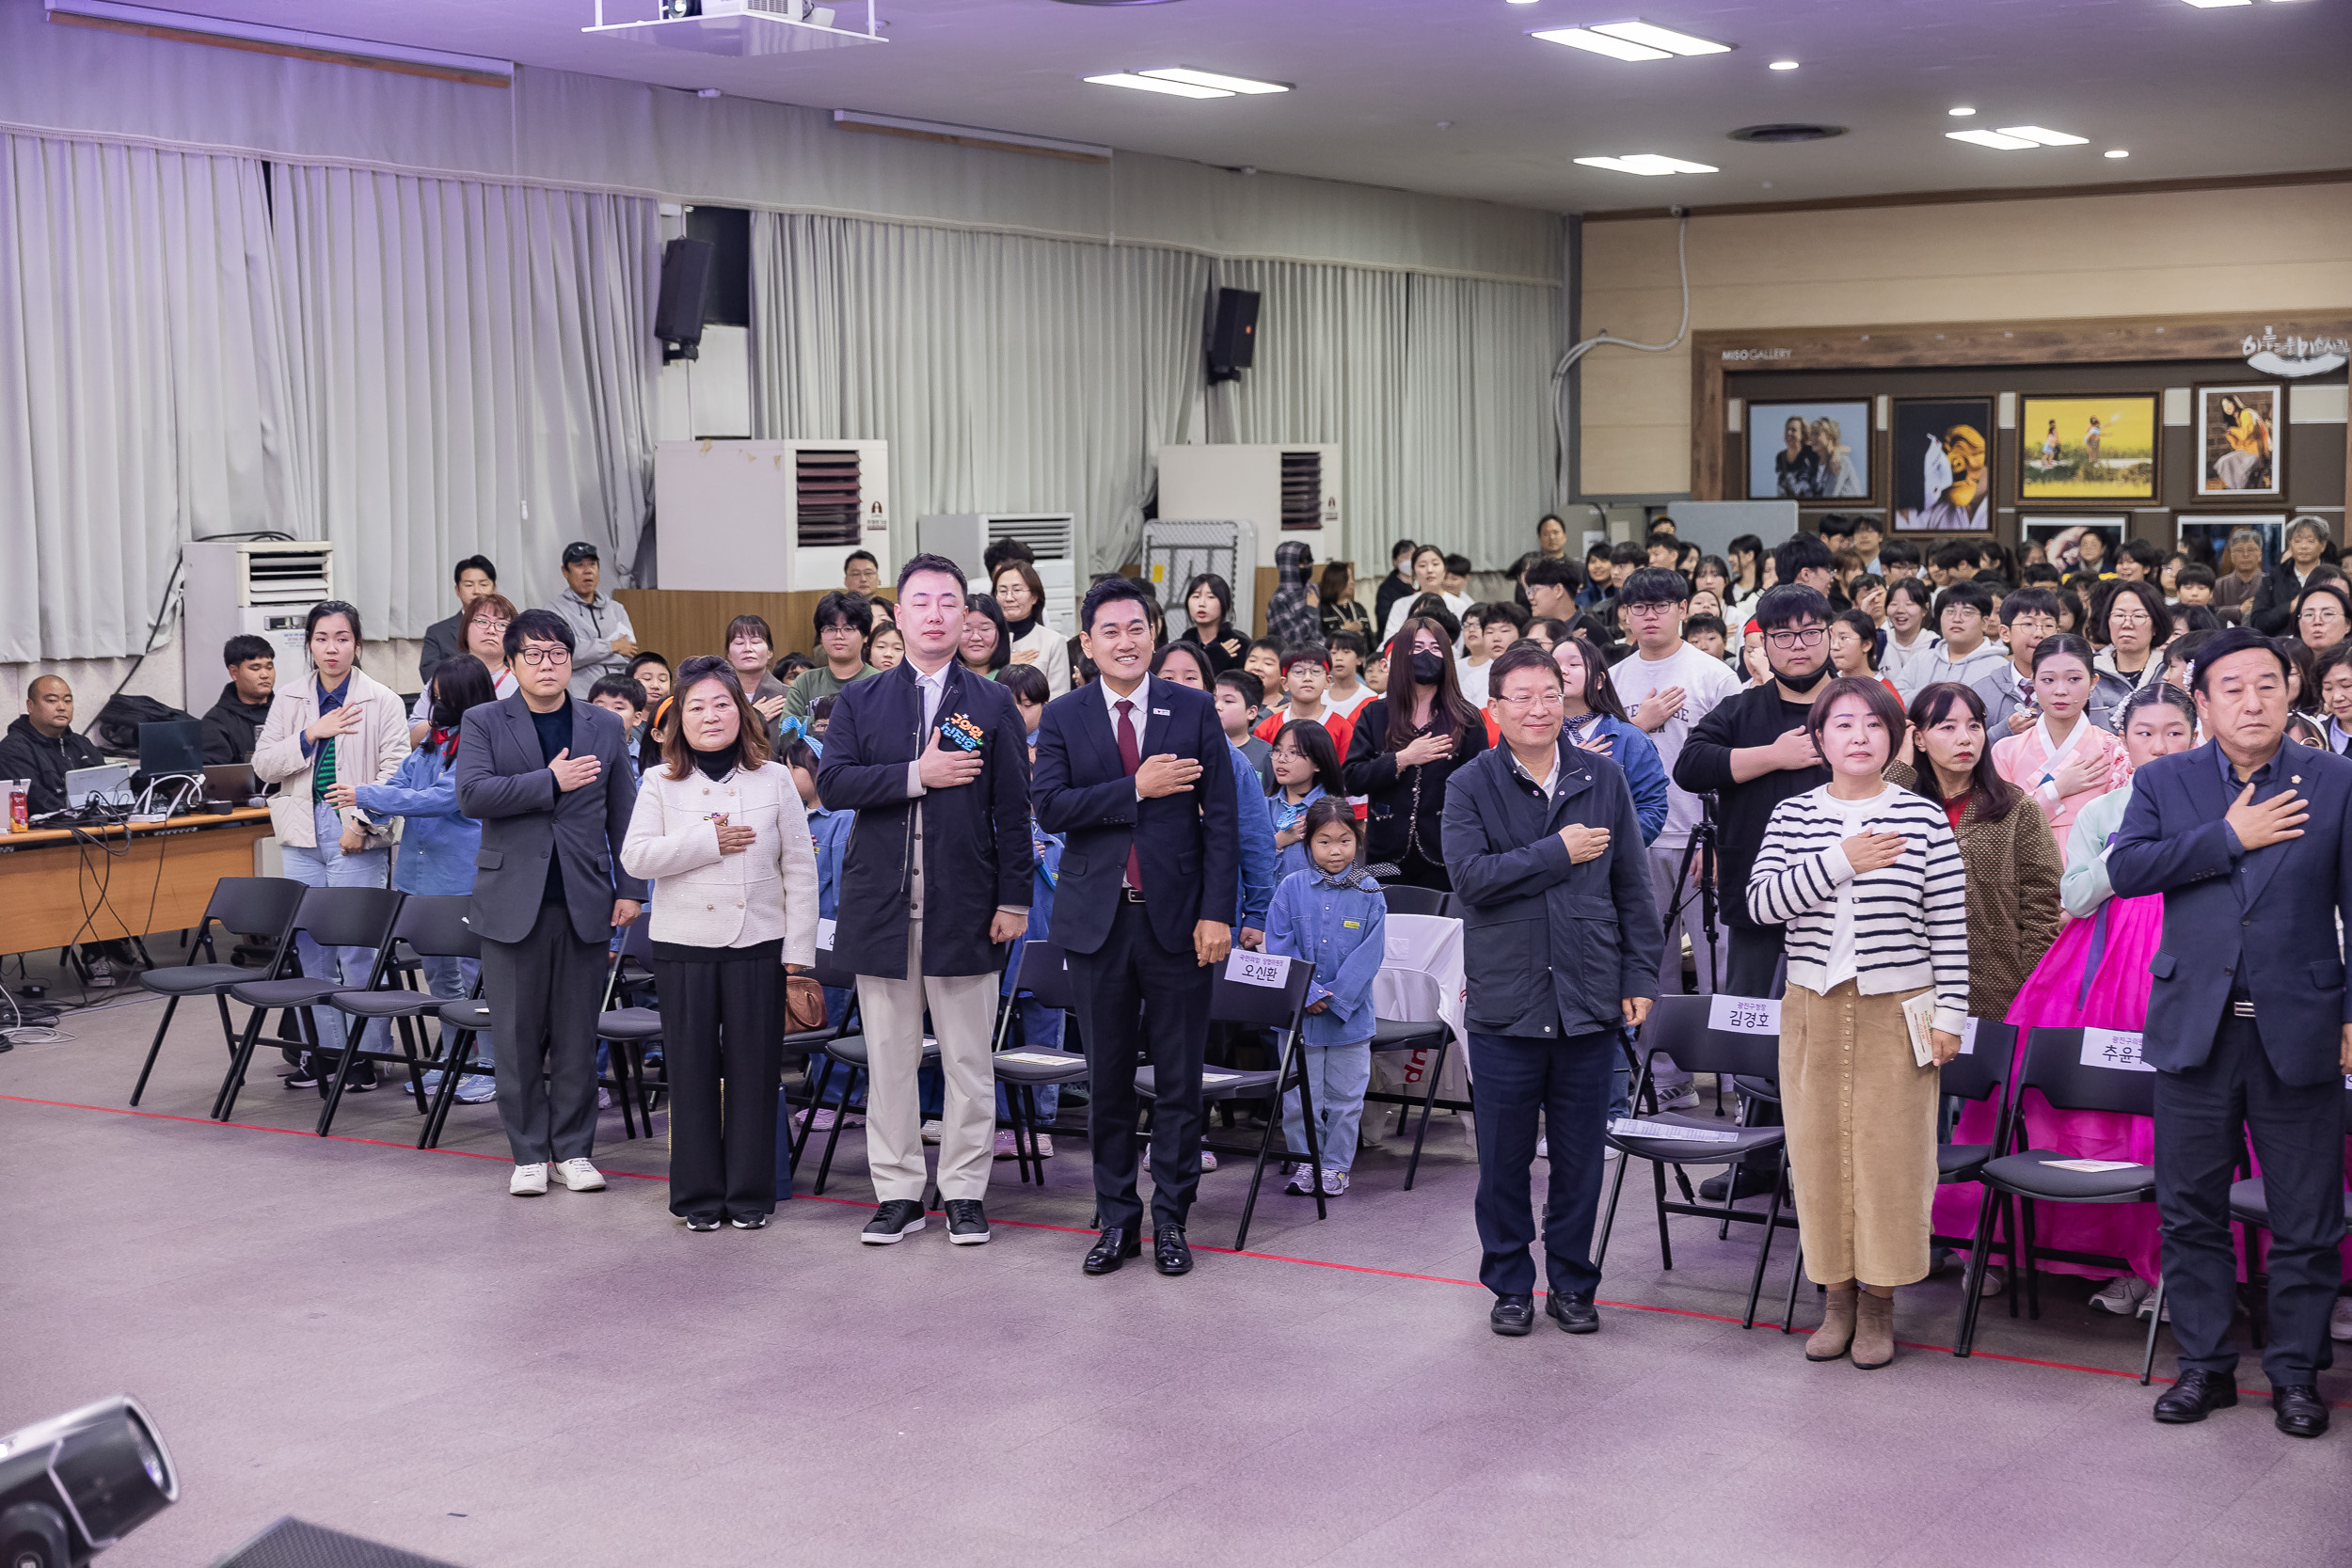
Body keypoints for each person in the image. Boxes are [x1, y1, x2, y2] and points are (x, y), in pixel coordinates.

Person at [2108, 628, 2352, 1436]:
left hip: (2303, 1027)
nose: (2253, 702)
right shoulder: (2168, 779)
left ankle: (2294, 1375)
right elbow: (2128, 869)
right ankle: (2205, 1367)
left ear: (2291, 692)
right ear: (2202, 703)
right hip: (2194, 1032)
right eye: (2233, 689)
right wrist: (2228, 838)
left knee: (2307, 1218)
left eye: (2268, 686)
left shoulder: (2337, 779)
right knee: (2190, 1211)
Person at [1935, 683, 2200, 1310]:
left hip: (2184, 968)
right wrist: (2136, 852)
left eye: (2174, 732)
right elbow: (2076, 896)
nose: (2159, 745)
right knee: (2070, 1109)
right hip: (2098, 970)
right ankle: (2036, 1247)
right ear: (2123, 741)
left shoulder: (2221, 807)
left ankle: (2161, 1265)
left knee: (2166, 1117)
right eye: (2145, 732)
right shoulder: (2103, 811)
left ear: (2197, 735)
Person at [1748, 675, 1968, 1370]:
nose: (1858, 737)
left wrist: (1951, 1017)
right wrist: (1841, 860)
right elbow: (1760, 905)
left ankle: (1879, 1304)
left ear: (1897, 737)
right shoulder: (1792, 816)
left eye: (1873, 725)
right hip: (1812, 1002)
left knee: (1893, 1160)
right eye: (1842, 725)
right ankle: (1834, 1299)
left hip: (1899, 1007)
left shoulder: (1923, 816)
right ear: (1820, 740)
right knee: (1816, 1158)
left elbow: (1949, 929)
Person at [1444, 643, 1661, 1337]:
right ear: (1495, 707)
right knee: (1502, 1159)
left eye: (1549, 693)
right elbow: (1471, 879)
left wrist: (1638, 975)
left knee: (1578, 1160)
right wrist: (1558, 851)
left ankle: (1572, 1282)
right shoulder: (1469, 783)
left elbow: (1633, 884)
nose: (1539, 708)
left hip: (1589, 993)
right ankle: (1508, 1283)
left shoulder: (1602, 776)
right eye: (1522, 697)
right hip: (1506, 998)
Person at [816, 555, 1033, 1245]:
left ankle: (965, 1190)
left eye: (949, 601)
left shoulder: (991, 702)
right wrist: (918, 773)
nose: (936, 613)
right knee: (890, 1056)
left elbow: (1013, 811)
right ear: (898, 615)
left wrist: (1016, 899)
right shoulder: (862, 699)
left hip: (966, 905)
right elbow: (837, 783)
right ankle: (900, 1188)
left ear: (966, 617)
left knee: (969, 1060)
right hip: (882, 906)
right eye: (922, 602)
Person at [1034, 576, 1238, 1278]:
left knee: (1179, 1081)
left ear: (1154, 633)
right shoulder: (1064, 716)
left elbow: (1225, 822)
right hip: (1097, 923)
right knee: (1110, 1081)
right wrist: (1135, 789)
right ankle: (1118, 1218)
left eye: (1137, 628)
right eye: (1110, 631)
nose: (1126, 641)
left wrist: (1218, 912)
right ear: (1087, 643)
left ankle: (1174, 1219)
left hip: (1180, 923)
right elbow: (1052, 808)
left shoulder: (1194, 708)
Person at [453, 608, 646, 1198]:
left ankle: (575, 1150)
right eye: (533, 654)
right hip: (512, 901)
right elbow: (472, 795)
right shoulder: (484, 719)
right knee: (514, 1036)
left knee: (575, 1034)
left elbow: (624, 811)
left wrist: (631, 887)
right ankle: (529, 1153)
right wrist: (550, 782)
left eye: (557, 653)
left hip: (586, 898)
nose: (546, 664)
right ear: (510, 664)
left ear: (572, 661)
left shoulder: (601, 725)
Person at [620, 656, 818, 1231]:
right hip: (684, 943)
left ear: (743, 712)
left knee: (756, 1070)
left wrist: (797, 951)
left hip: (758, 940)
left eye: (722, 704)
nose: (711, 716)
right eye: (696, 707)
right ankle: (699, 1197)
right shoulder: (660, 781)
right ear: (678, 718)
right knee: (691, 1070)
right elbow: (636, 858)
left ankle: (751, 1195)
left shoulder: (775, 777)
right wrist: (707, 841)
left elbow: (800, 869)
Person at [245, 600, 410, 1083]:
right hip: (300, 832)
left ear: (356, 644)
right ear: (310, 644)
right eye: (321, 638)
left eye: (341, 638)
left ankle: (368, 1054)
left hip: (355, 830)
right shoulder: (291, 697)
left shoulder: (382, 699)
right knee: (310, 946)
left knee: (357, 949)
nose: (331, 648)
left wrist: (360, 823)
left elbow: (396, 774)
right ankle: (331, 1053)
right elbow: (265, 765)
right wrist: (310, 735)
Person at [341, 657, 501, 1105]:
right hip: (419, 878)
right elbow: (400, 783)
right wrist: (365, 812)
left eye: (441, 695)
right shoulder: (429, 746)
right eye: (432, 694)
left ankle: (488, 1065)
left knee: (475, 977)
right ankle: (453, 1059)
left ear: (465, 698)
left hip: (462, 877)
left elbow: (440, 800)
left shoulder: (481, 748)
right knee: (439, 976)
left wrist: (368, 794)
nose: (432, 703)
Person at [1674, 584, 1841, 1001]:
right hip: (1756, 890)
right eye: (1782, 636)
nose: (1797, 646)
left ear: (1830, 634)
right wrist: (1773, 755)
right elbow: (1690, 767)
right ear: (1764, 644)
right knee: (1750, 1020)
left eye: (1810, 633)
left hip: (1844, 893)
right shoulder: (1740, 708)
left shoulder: (1859, 706)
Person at [1905, 683, 2061, 1022]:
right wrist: (1901, 768)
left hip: (1994, 987)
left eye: (1974, 725)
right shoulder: (1897, 807)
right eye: (1947, 727)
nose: (1965, 738)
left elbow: (2042, 906)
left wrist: (2030, 984)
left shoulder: (2017, 808)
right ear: (1918, 738)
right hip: (1906, 988)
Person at [1265, 799, 1386, 1198]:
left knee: (1346, 1098)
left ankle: (1335, 1166)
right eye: (1324, 842)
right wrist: (1308, 992)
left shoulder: (1370, 889)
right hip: (1298, 1016)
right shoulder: (1289, 888)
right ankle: (1306, 1162)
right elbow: (1279, 944)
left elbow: (1370, 953)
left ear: (1358, 840)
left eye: (1345, 841)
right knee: (1300, 1098)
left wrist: (1333, 999)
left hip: (1350, 1019)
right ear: (1307, 844)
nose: (1336, 851)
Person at [1153, 641, 1276, 971]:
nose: (1179, 685)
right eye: (1167, 676)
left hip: (1214, 911)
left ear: (1209, 690)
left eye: (1191, 677)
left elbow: (1256, 840)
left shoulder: (1232, 762)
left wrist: (1258, 913)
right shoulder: (1134, 752)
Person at [1343, 618, 1490, 890]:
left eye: (1435, 648)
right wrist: (1403, 758)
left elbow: (1481, 788)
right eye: (1417, 646)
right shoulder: (1375, 714)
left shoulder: (1467, 718)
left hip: (1445, 852)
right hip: (1384, 850)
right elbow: (1353, 777)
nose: (1426, 654)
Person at [1989, 632, 2131, 845]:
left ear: (2093, 682)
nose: (2061, 690)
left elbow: (2121, 830)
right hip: (2025, 870)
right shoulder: (2005, 751)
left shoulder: (2112, 750)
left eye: (2074, 679)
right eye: (2048, 680)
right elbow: (1998, 829)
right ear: (2033, 682)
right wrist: (2057, 789)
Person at [1551, 635, 1668, 848]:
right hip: (1550, 860)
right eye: (1554, 664)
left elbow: (1652, 809)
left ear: (1598, 681)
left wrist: (1608, 848)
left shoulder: (1630, 739)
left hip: (1610, 864)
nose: (1562, 671)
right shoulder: (1534, 737)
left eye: (1574, 664)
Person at [409, 593, 518, 747]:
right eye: (482, 621)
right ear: (465, 628)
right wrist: (450, 716)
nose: (491, 630)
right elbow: (412, 737)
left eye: (502, 624)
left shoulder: (521, 682)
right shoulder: (444, 677)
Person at [0, 674, 105, 817]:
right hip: (45, 832)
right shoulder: (13, 748)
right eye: (51, 700)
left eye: (68, 701)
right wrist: (76, 814)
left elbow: (107, 787)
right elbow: (34, 798)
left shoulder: (82, 744)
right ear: (30, 706)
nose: (61, 707)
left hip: (93, 825)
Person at [548, 541, 637, 698]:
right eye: (579, 565)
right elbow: (566, 656)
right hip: (580, 698)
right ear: (565, 571)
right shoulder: (555, 610)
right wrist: (612, 646)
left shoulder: (616, 609)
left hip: (619, 696)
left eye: (592, 564)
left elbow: (627, 654)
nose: (588, 571)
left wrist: (587, 651)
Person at [1971, 587, 2064, 736]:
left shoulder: (2076, 687)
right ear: (2005, 633)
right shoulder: (1981, 692)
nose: (2039, 633)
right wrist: (2005, 731)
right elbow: (1968, 747)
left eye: (2048, 625)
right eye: (2028, 624)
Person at [1267, 719, 1345, 880]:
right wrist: (1278, 841)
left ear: (1318, 763)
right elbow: (1246, 859)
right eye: (1277, 750)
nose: (1281, 759)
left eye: (1293, 752)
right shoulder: (1264, 805)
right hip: (1266, 903)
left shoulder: (1333, 810)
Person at [1897, 582, 2007, 697]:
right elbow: (1896, 699)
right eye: (1950, 611)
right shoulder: (1921, 660)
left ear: (1984, 622)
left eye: (1967, 612)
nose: (1957, 619)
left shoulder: (1999, 669)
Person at [783, 593, 878, 721]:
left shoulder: (880, 683)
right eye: (830, 629)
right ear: (820, 636)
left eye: (848, 629)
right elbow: (786, 733)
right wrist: (831, 718)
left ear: (865, 636)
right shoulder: (805, 682)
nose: (838, 636)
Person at [1254, 645, 1355, 760]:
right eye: (1298, 671)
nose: (1307, 678)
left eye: (1316, 671)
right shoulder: (1266, 729)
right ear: (1284, 683)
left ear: (1328, 681)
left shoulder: (1343, 728)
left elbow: (1347, 774)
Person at [2090, 580, 2172, 715]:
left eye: (2138, 616)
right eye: (2119, 615)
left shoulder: (2169, 671)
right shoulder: (2090, 672)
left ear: (2156, 625)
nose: (2127, 624)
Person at [992, 560, 1072, 696]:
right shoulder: (983, 639)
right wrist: (1004, 665)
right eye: (1003, 591)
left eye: (1017, 590)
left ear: (1034, 596)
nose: (1009, 598)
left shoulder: (1053, 641)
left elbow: (1059, 697)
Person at [418, 555, 498, 687]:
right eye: (469, 585)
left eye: (483, 584)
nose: (477, 591)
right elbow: (430, 674)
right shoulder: (437, 632)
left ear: (494, 588)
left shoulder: (510, 628)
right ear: (457, 590)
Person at [2247, 515, 2330, 635]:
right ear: (2290, 544)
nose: (2303, 546)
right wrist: (2290, 607)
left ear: (2322, 545)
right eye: (2297, 541)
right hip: (2283, 648)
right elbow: (2258, 623)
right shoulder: (2273, 579)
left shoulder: (2334, 578)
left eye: (2310, 541)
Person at [200, 635, 277, 765]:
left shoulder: (286, 709)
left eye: (269, 667)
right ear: (234, 672)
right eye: (255, 668)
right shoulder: (216, 723)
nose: (265, 675)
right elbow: (215, 777)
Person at [1382, 546, 1471, 644]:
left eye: (1435, 564)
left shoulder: (1460, 605)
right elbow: (1389, 640)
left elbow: (1464, 644)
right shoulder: (1401, 605)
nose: (1429, 570)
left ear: (1445, 569)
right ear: (1413, 573)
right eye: (1422, 565)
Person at [1214, 669, 1275, 792]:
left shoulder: (1268, 755)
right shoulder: (1197, 747)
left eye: (1228, 701)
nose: (1217, 707)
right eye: (1213, 700)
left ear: (1251, 712)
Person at [1179, 573, 1248, 674]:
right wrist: (1216, 656)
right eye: (1196, 596)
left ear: (1225, 603)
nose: (1201, 603)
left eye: (1211, 597)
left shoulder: (1240, 646)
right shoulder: (1180, 646)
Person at [588, 675, 648, 780]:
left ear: (636, 718)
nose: (607, 713)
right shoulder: (579, 752)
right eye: (600, 707)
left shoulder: (647, 761)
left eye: (618, 708)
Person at [1265, 541, 1320, 647]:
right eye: (1302, 563)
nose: (1308, 566)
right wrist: (1311, 612)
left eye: (1310, 561)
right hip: (1289, 657)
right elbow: (1292, 639)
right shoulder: (1279, 599)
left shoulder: (1311, 589)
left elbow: (1316, 633)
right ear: (1288, 566)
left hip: (1315, 652)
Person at [2213, 527, 2267, 617]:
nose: (2245, 555)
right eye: (2239, 550)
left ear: (2260, 555)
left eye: (2251, 550)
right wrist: (2239, 610)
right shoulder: (2219, 585)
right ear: (2231, 556)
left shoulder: (2271, 584)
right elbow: (2209, 613)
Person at [959, 593, 1013, 679]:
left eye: (985, 629)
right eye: (966, 629)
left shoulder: (1013, 682)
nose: (975, 637)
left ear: (1000, 632)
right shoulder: (940, 680)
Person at [1323, 630, 1375, 720]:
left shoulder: (1370, 699)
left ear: (1359, 659)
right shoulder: (1318, 695)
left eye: (1346, 652)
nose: (1338, 658)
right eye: (1333, 653)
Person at [1318, 561, 1373, 645]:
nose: (1352, 582)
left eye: (1352, 578)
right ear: (1335, 580)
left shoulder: (1359, 608)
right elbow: (1319, 642)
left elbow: (1371, 641)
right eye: (1347, 578)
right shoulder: (1322, 610)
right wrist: (1343, 630)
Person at [1372, 538, 1420, 633]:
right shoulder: (1386, 588)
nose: (1410, 561)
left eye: (1413, 557)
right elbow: (1383, 618)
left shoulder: (1423, 583)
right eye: (1405, 557)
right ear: (1395, 562)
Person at [2294, 580, 2352, 655]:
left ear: (2347, 625)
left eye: (2328, 614)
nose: (2317, 622)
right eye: (2309, 614)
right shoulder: (2285, 661)